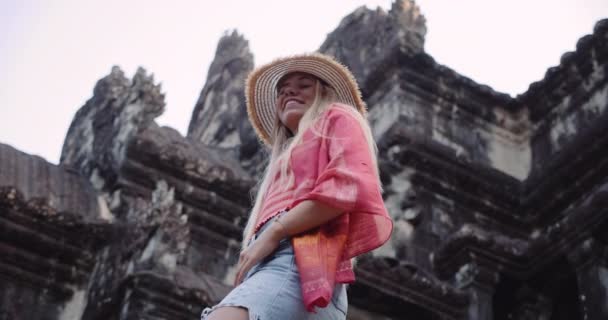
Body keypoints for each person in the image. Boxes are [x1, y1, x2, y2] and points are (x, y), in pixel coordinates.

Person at [201, 53, 393, 320]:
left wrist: (275, 231)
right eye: (282, 91)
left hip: (296, 262)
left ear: (324, 93)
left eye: (303, 85)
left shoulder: (337, 116)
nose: (290, 92)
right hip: (278, 267)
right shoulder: (283, 160)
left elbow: (349, 185)